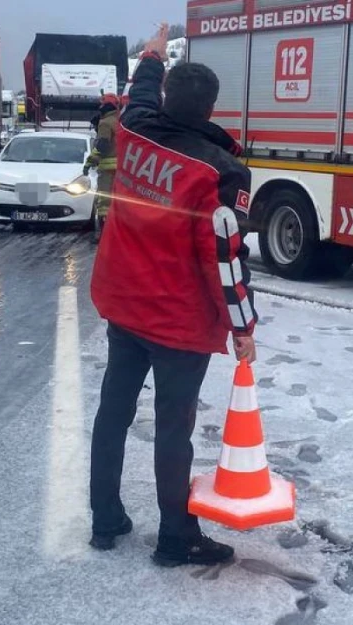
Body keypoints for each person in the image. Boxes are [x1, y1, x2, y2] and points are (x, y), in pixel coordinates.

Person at [88, 24, 259, 567]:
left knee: (112, 412)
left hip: (124, 305)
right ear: (211, 109)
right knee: (172, 429)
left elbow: (139, 90)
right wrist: (243, 328)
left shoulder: (135, 128)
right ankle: (176, 536)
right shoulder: (222, 173)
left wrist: (155, 53)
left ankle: (105, 518)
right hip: (178, 323)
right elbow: (225, 262)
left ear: (166, 98)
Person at [83, 93, 121, 243]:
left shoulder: (105, 123)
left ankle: (104, 235)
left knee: (104, 202)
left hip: (107, 170)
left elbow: (102, 146)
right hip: (121, 169)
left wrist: (89, 163)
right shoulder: (120, 120)